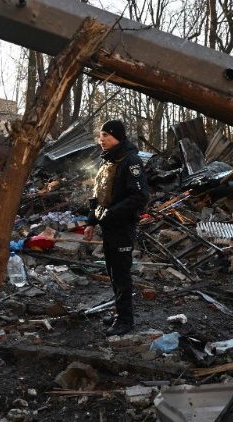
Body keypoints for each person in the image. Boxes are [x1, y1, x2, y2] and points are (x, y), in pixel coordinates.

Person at [84, 119, 149, 336]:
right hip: (108, 226)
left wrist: (112, 213)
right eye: (101, 136)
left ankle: (125, 320)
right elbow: (98, 196)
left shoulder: (131, 161)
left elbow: (139, 196)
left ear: (117, 138)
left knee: (121, 273)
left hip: (122, 226)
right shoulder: (107, 162)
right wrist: (91, 221)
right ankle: (119, 313)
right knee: (113, 272)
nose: (101, 140)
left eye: (106, 136)